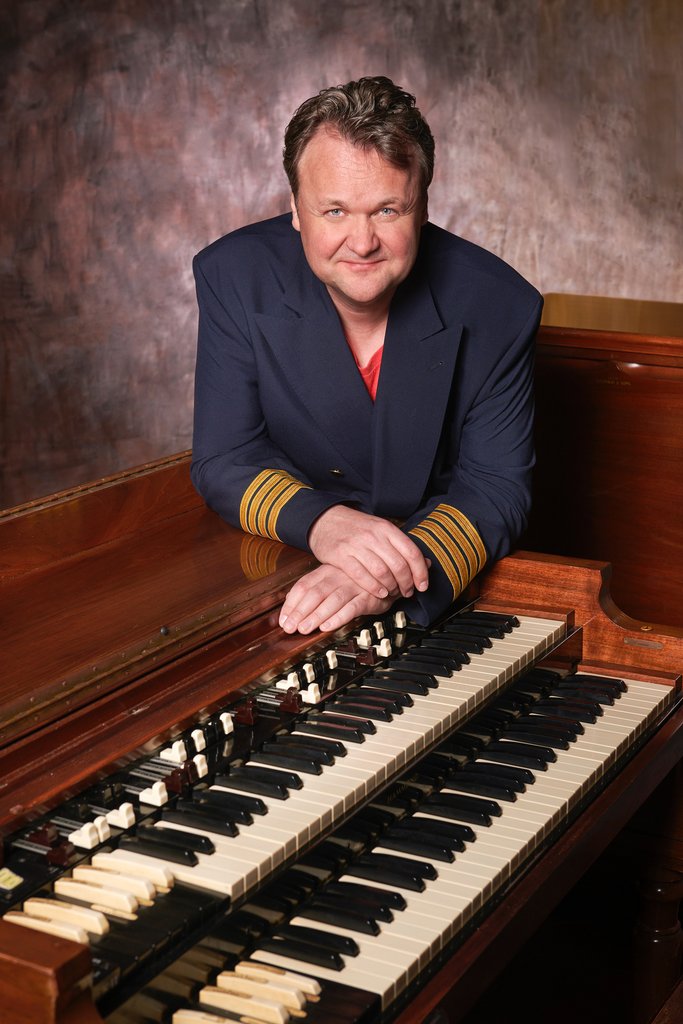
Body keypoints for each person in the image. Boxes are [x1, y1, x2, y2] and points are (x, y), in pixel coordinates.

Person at [191, 76, 542, 636]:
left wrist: (384, 573)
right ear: (296, 209)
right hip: (288, 567)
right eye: (334, 211)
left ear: (422, 207)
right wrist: (325, 525)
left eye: (387, 210)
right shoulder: (234, 276)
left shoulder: (499, 305)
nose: (361, 243)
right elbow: (224, 457)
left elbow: (495, 490)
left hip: (432, 577)